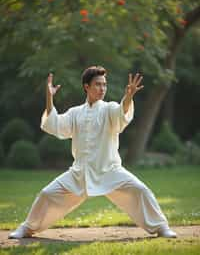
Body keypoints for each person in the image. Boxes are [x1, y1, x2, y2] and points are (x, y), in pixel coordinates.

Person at [9, 66, 177, 239]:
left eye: (104, 85)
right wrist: (49, 98)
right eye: (97, 84)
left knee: (141, 190)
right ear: (86, 87)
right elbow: (55, 124)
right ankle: (27, 228)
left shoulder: (109, 109)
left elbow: (121, 113)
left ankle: (161, 227)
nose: (102, 88)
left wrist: (128, 96)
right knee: (47, 194)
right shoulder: (75, 113)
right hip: (79, 173)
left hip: (110, 170)